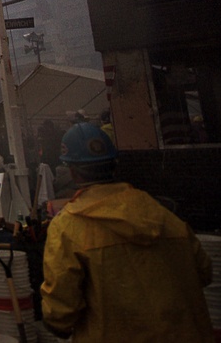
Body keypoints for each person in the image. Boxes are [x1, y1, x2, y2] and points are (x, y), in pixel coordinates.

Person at [40, 122, 213, 342]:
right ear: (114, 164)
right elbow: (204, 273)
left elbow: (60, 315)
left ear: (72, 171)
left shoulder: (68, 227)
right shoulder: (162, 215)